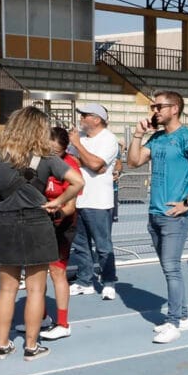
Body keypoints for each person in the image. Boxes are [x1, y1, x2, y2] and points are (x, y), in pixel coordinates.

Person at [0, 106, 83, 361]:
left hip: (7, 222)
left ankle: (2, 344)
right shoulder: (46, 157)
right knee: (36, 289)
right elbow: (78, 181)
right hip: (37, 222)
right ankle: (31, 346)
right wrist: (58, 202)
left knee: (7, 289)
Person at [127, 90, 188, 343]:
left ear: (174, 108)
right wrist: (137, 135)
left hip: (174, 216)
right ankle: (183, 316)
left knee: (171, 268)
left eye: (159, 106)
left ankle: (174, 321)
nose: (154, 111)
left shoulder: (187, 137)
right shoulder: (156, 139)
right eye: (153, 107)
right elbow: (133, 162)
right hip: (155, 213)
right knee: (169, 269)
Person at [67, 103, 122, 300]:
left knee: (103, 245)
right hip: (77, 199)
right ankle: (85, 280)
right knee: (80, 244)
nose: (81, 118)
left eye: (85, 115)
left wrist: (80, 149)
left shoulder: (108, 139)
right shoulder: (79, 137)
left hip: (98, 201)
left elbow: (97, 164)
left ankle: (108, 281)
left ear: (97, 119)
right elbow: (72, 162)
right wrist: (87, 162)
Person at [39, 125, 84, 340]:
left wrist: (54, 213)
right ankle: (42, 318)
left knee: (57, 272)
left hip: (61, 224)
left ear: (65, 150)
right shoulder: (38, 161)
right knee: (36, 271)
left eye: (55, 153)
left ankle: (63, 323)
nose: (51, 157)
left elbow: (71, 206)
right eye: (47, 151)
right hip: (39, 224)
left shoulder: (70, 166)